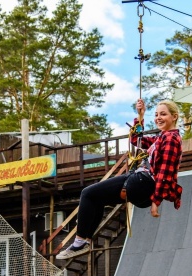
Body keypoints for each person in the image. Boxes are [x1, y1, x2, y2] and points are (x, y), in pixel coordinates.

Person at [56, 99, 183, 260]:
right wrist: (140, 115)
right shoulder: (161, 137)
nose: (158, 118)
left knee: (87, 194)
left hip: (143, 183)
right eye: (156, 114)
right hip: (141, 184)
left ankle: (80, 241)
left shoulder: (171, 139)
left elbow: (165, 172)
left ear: (174, 117)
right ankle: (84, 241)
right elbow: (137, 140)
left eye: (163, 114)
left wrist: (155, 202)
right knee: (96, 199)